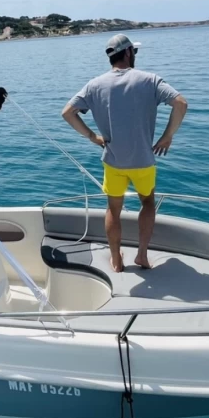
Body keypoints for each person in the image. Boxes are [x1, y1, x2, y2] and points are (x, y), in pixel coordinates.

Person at [62, 34, 188, 271]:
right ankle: (141, 255)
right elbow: (181, 103)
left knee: (113, 209)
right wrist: (167, 136)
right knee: (148, 203)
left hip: (113, 161)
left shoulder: (94, 85)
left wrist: (92, 137)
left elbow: (68, 112)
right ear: (129, 52)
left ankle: (117, 261)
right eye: (134, 52)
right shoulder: (149, 80)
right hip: (143, 161)